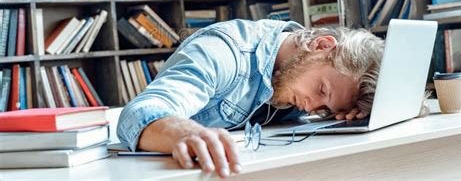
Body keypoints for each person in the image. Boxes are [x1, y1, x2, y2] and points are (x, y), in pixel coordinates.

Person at [117, 19, 384, 178]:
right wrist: (184, 132)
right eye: (322, 91)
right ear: (321, 46)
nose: (312, 106)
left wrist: (355, 112)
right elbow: (138, 113)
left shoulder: (298, 70)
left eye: (325, 107)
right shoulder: (223, 53)